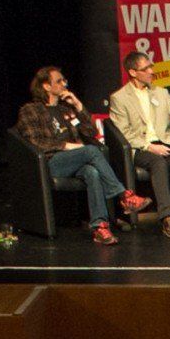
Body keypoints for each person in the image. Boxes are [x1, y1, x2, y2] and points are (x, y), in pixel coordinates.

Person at [16, 65, 142, 244]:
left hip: (75, 161)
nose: (64, 84)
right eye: (59, 81)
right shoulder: (31, 110)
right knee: (91, 151)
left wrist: (78, 105)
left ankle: (100, 227)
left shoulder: (65, 110)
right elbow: (35, 141)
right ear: (46, 86)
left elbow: (90, 132)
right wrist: (68, 146)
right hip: (50, 162)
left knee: (93, 172)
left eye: (64, 80)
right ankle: (123, 196)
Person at [109, 44, 170, 237]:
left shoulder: (161, 93)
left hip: (166, 144)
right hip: (141, 149)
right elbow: (123, 133)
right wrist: (149, 147)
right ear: (133, 72)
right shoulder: (119, 98)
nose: (151, 71)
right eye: (146, 69)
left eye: (151, 67)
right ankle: (168, 218)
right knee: (158, 162)